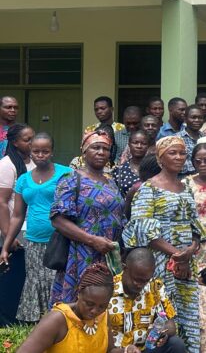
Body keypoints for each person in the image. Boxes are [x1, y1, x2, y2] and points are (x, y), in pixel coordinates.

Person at [123, 136, 206, 353]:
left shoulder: (186, 188)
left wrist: (190, 250)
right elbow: (143, 230)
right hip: (159, 262)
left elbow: (195, 226)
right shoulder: (148, 188)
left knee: (188, 312)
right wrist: (177, 254)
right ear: (160, 158)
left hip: (186, 263)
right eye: (173, 153)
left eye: (182, 153)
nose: (179, 157)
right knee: (161, 312)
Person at [50, 130, 125, 306]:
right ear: (84, 151)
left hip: (108, 255)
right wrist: (92, 240)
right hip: (80, 254)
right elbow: (58, 220)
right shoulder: (71, 179)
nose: (101, 152)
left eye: (105, 149)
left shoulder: (111, 181)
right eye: (95, 148)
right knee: (80, 302)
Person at [0, 132, 66, 322]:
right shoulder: (24, 179)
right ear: (31, 151)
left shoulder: (65, 174)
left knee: (55, 282)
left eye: (45, 151)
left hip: (58, 241)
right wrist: (6, 246)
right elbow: (17, 216)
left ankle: (58, 323)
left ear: (52, 152)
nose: (40, 155)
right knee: (35, 281)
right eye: (36, 151)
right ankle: (37, 325)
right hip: (33, 242)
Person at [16, 263, 113, 353]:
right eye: (89, 304)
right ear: (79, 293)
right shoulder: (58, 320)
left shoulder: (103, 316)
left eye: (102, 306)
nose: (95, 311)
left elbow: (110, 350)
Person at [107, 248, 185, 353]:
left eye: (145, 281)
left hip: (145, 348)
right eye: (136, 279)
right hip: (117, 350)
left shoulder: (155, 287)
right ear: (124, 268)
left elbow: (171, 325)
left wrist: (162, 333)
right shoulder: (108, 289)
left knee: (175, 344)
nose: (140, 285)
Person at [0, 123, 34, 325]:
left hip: (29, 231)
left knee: (24, 278)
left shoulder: (34, 162)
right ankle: (7, 322)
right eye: (27, 140)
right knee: (11, 279)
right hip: (12, 233)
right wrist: (8, 236)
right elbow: (2, 202)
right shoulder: (7, 165)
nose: (32, 142)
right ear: (14, 142)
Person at [113, 130, 150, 205]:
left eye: (143, 143)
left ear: (148, 146)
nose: (139, 146)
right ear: (129, 145)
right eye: (135, 143)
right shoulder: (119, 170)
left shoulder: (155, 168)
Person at [175, 105, 204, 176]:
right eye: (193, 117)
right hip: (182, 177)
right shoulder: (176, 139)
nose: (197, 120)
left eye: (200, 118)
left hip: (203, 177)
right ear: (185, 119)